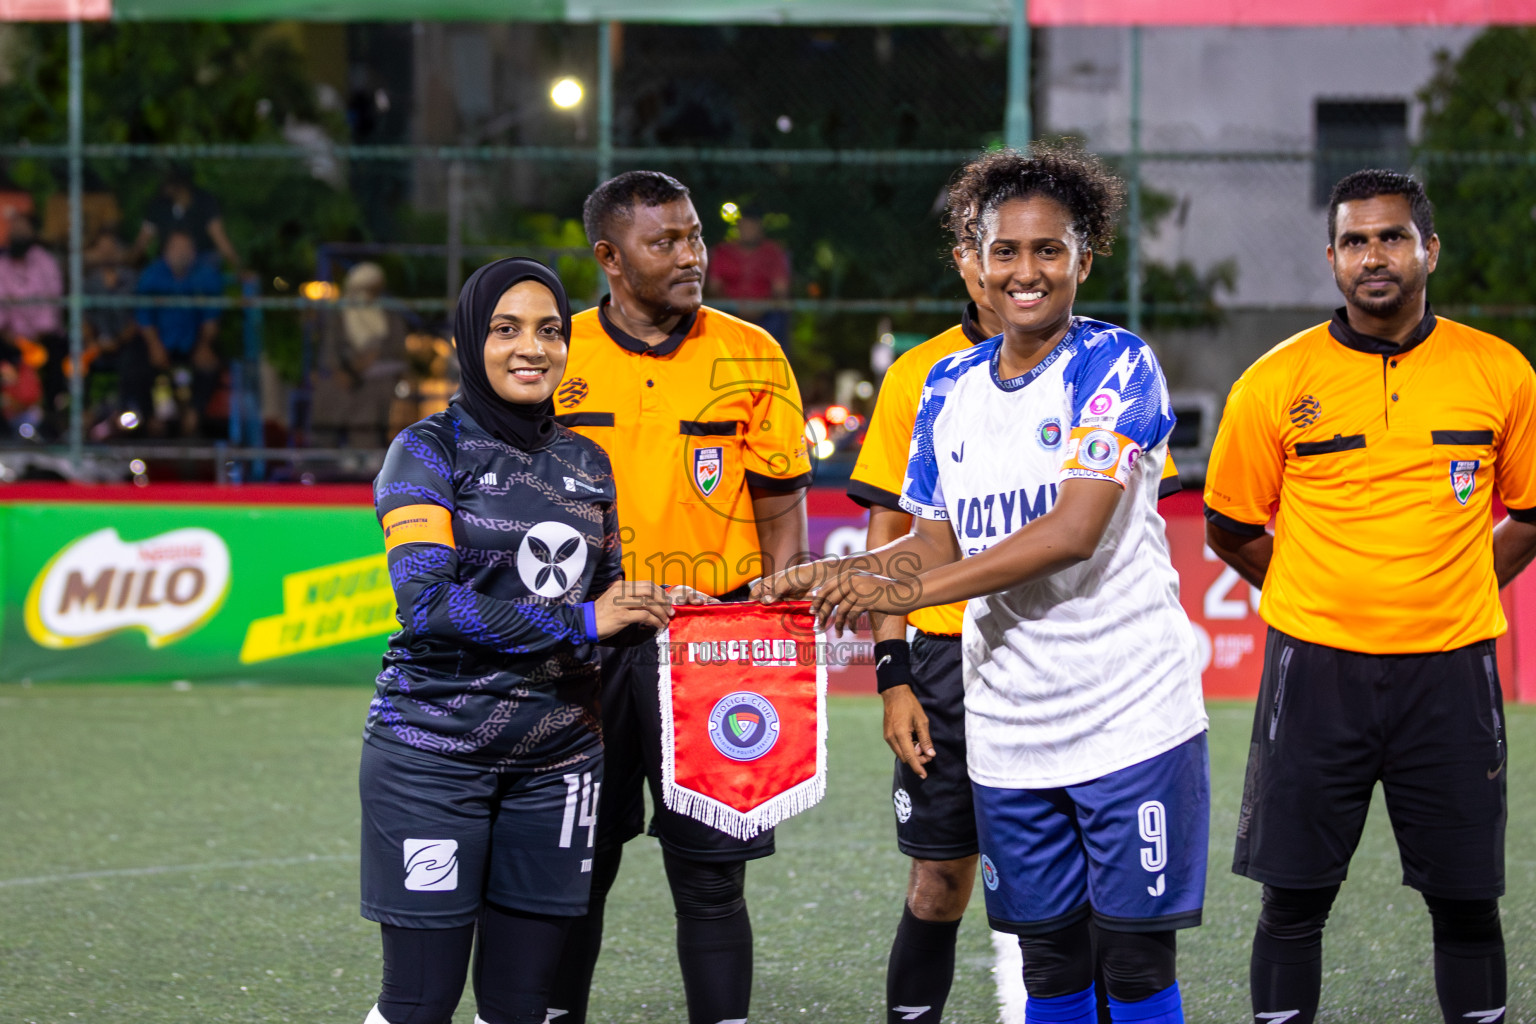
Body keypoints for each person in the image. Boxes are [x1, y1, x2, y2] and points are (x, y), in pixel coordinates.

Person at [758, 144, 1209, 1024]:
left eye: (1050, 250)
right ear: (975, 260)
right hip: (1009, 724)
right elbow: (931, 548)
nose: (1026, 271)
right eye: (1006, 250)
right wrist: (836, 576)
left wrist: (896, 593)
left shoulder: (1117, 367)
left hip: (1129, 715)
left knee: (1135, 960)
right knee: (1049, 963)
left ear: (1087, 256)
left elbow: (1072, 533)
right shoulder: (946, 388)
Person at [1203, 170, 1536, 1024]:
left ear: (1429, 249)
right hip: (1314, 674)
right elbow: (1231, 528)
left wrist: (1455, 581)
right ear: (1332, 259)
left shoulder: (1501, 373)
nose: (1373, 256)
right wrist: (1319, 593)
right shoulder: (1273, 383)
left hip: (1452, 675)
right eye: (1355, 241)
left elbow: (1532, 514)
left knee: (1466, 902)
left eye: (1391, 237)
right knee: (1293, 901)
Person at [359, 257, 676, 1024]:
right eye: (506, 330)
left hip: (560, 765)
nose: (531, 348)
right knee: (419, 1002)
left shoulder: (585, 461)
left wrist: (674, 615)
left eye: (549, 331)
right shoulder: (427, 451)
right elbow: (426, 604)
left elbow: (609, 605)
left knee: (521, 1005)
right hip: (433, 757)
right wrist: (585, 620)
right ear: (472, 340)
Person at [549, 170, 814, 1024]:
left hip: (714, 645)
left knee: (710, 876)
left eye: (694, 235)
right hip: (589, 645)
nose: (691, 255)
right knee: (576, 867)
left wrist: (772, 635)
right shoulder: (558, 352)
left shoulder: (752, 353)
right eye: (663, 241)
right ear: (609, 258)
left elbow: (782, 516)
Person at [134, 229, 224, 437]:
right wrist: (155, 346)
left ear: (194, 252)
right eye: (177, 248)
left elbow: (211, 317)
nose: (182, 253)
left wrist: (204, 345)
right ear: (166, 251)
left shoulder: (206, 274)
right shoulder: (152, 275)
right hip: (158, 339)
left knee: (210, 365)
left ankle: (193, 417)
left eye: (186, 248)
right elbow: (144, 316)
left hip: (193, 341)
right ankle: (151, 420)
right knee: (135, 365)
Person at [311, 261, 408, 448]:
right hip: (347, 371)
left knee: (372, 395)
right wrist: (345, 369)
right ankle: (323, 450)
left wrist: (374, 356)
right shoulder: (339, 315)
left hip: (380, 374)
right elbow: (330, 351)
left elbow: (398, 352)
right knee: (330, 390)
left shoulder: (390, 315)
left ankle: (364, 450)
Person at [0, 211, 63, 434]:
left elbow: (52, 303)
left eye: (22, 228)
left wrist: (36, 337)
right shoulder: (2, 264)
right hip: (9, 338)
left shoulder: (46, 262)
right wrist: (10, 335)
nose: (17, 232)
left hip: (42, 337)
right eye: (13, 228)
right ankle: (6, 421)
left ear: (32, 232)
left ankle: (51, 419)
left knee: (56, 357)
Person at [705, 206, 791, 344]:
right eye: (744, 226)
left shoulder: (773, 252)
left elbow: (780, 290)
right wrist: (735, 307)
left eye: (752, 226)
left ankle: (772, 358)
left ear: (760, 228)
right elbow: (714, 288)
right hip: (729, 311)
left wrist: (759, 308)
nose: (747, 231)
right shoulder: (722, 252)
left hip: (765, 313)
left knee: (779, 316)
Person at [131, 168, 241, 271]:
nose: (165, 187)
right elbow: (142, 243)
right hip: (168, 261)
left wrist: (238, 267)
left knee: (207, 272)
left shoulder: (205, 202)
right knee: (151, 275)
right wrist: (125, 262)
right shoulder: (159, 204)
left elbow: (220, 239)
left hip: (200, 259)